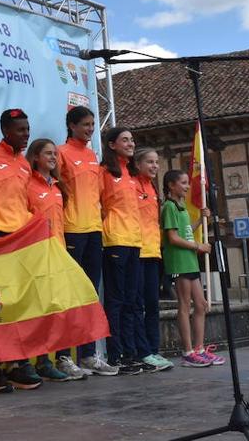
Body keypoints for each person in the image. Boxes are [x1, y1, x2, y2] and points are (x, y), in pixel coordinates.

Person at [0, 107, 41, 392]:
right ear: (6, 131)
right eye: (20, 130)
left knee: (18, 304)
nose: (26, 134)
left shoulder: (24, 164)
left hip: (21, 240)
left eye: (28, 129)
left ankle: (16, 364)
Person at [55, 106, 108, 377]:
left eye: (92, 124)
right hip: (71, 229)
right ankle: (64, 355)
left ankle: (88, 354)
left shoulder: (91, 155)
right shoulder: (62, 153)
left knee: (89, 294)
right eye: (85, 124)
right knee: (69, 294)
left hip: (93, 230)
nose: (89, 129)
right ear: (72, 126)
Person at [24, 138, 81, 382]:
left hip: (57, 252)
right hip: (35, 254)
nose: (53, 158)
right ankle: (31, 361)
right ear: (35, 156)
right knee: (34, 310)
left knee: (54, 309)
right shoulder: (27, 184)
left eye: (55, 154)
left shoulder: (58, 187)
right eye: (48, 153)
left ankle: (50, 360)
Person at [100, 128, 148, 375]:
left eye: (132, 140)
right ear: (111, 145)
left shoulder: (131, 174)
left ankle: (130, 353)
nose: (131, 143)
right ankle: (115, 355)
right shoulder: (105, 172)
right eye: (125, 140)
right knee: (116, 301)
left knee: (131, 301)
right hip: (115, 241)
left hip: (134, 242)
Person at [160, 170, 217, 367]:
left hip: (190, 261)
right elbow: (173, 238)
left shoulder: (181, 207)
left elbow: (186, 232)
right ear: (171, 185)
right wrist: (198, 246)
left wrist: (201, 220)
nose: (187, 186)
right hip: (179, 262)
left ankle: (200, 348)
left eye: (187, 183)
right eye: (183, 183)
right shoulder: (169, 207)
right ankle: (187, 352)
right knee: (184, 305)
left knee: (201, 305)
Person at [131, 149, 171, 371]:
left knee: (152, 304)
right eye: (149, 162)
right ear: (137, 164)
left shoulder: (152, 188)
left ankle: (154, 349)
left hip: (154, 251)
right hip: (137, 250)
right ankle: (143, 351)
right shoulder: (132, 185)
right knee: (138, 304)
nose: (154, 166)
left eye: (156, 162)